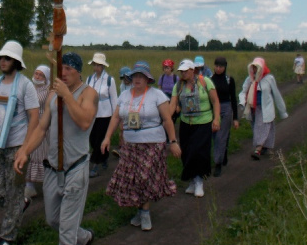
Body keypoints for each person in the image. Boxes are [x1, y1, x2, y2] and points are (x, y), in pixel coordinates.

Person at [14, 52, 98, 245]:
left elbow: (84, 121)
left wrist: (66, 95)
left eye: (69, 69)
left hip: (76, 168)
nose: (64, 73)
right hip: (52, 168)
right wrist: (25, 150)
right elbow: (41, 128)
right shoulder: (52, 94)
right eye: (61, 69)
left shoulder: (88, 94)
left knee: (67, 228)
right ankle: (84, 239)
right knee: (53, 220)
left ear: (78, 71)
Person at [101, 61, 180, 231]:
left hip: (152, 143)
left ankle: (144, 213)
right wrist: (107, 137)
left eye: (141, 76)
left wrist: (172, 141)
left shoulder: (157, 95)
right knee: (133, 180)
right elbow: (115, 118)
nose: (137, 79)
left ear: (147, 79)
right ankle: (140, 209)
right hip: (130, 144)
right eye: (135, 76)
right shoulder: (124, 96)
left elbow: (167, 120)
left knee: (144, 177)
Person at [0, 41, 40, 245]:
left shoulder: (26, 85)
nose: (2, 62)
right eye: (1, 58)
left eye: (7, 58)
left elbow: (34, 118)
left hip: (17, 146)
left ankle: (6, 238)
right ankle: (20, 204)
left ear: (16, 61)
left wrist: (25, 149)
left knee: (14, 190)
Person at [170, 59, 219, 198]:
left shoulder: (205, 82)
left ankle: (199, 181)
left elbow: (215, 101)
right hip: (186, 122)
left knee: (198, 152)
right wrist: (167, 119)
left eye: (186, 71)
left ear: (193, 70)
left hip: (203, 122)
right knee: (186, 152)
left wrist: (216, 119)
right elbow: (173, 104)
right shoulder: (178, 85)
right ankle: (192, 179)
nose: (183, 74)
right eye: (181, 71)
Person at [239, 57, 288, 160]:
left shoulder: (269, 79)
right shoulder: (250, 79)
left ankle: (258, 149)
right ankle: (266, 147)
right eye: (254, 67)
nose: (255, 70)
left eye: (257, 67)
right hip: (253, 108)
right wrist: (242, 102)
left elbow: (276, 95)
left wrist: (282, 111)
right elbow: (243, 92)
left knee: (261, 127)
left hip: (265, 108)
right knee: (260, 127)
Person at [86, 53, 117, 177]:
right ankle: (104, 157)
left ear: (103, 66)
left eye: (99, 65)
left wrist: (116, 117)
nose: (97, 67)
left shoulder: (110, 80)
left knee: (99, 139)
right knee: (92, 139)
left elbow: (114, 99)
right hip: (92, 114)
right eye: (95, 64)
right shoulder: (89, 79)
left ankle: (95, 164)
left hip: (105, 114)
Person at [25, 65, 51, 200]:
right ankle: (29, 185)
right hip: (29, 122)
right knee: (29, 151)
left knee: (40, 152)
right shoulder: (29, 87)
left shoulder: (48, 90)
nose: (37, 77)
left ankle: (45, 183)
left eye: (41, 75)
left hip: (42, 122)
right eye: (36, 74)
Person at [210, 56, 239, 177]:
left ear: (225, 67)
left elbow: (233, 98)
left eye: (220, 66)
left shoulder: (229, 80)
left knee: (221, 136)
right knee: (214, 135)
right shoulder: (210, 79)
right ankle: (223, 153)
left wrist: (235, 118)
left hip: (226, 108)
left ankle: (218, 164)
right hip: (212, 108)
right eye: (216, 66)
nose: (218, 68)